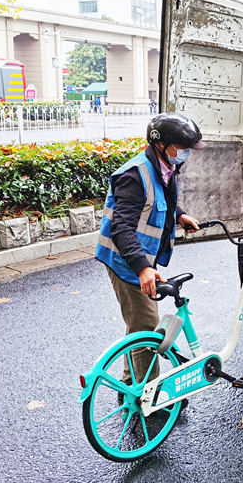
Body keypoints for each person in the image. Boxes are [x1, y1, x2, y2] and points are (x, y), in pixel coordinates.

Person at [95, 113, 205, 386]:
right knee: (146, 327)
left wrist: (178, 215)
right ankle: (148, 394)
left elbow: (159, 198)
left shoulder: (165, 167)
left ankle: (130, 382)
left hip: (140, 258)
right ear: (161, 144)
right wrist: (143, 268)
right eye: (182, 147)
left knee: (137, 324)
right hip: (127, 261)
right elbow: (120, 228)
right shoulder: (134, 175)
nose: (186, 153)